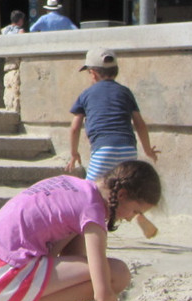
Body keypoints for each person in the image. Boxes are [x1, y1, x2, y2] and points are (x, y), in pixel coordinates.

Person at [0, 160, 161, 301]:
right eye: (135, 211)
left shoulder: (74, 186)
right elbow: (103, 295)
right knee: (118, 274)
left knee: (76, 232)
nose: (130, 219)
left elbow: (54, 245)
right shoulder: (92, 210)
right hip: (5, 274)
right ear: (122, 195)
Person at [67, 48, 159, 237]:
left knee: (89, 192)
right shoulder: (125, 92)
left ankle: (85, 233)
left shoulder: (86, 94)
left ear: (92, 73)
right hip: (128, 149)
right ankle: (136, 214)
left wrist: (74, 153)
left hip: (103, 150)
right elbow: (139, 123)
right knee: (124, 189)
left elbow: (75, 127)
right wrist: (147, 149)